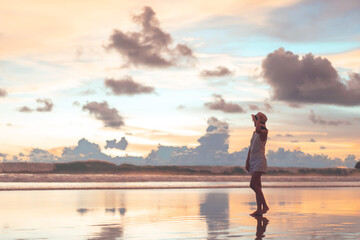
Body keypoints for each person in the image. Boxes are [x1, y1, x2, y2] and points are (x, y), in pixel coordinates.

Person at [246, 112, 269, 215]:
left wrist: (258, 119)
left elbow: (258, 129)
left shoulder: (264, 132)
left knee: (252, 185)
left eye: (254, 120)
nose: (253, 122)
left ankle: (265, 206)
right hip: (253, 160)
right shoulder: (254, 133)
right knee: (258, 186)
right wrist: (247, 161)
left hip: (260, 161)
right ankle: (259, 209)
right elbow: (250, 148)